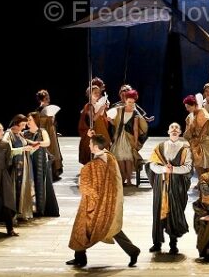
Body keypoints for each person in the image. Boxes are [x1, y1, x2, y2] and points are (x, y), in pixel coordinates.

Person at [67, 134, 141, 268]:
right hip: (109, 201)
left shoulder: (94, 165)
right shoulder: (110, 157)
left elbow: (87, 186)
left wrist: (83, 181)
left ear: (95, 147)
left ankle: (132, 251)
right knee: (109, 228)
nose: (89, 146)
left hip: (96, 202)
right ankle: (80, 256)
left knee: (86, 226)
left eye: (90, 144)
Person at [145, 122, 193, 255]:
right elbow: (152, 165)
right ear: (168, 131)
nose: (174, 129)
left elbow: (188, 167)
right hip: (161, 184)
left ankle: (173, 244)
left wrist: (174, 170)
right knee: (158, 212)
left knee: (174, 212)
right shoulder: (160, 147)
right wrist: (163, 169)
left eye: (177, 128)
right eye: (172, 127)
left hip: (177, 185)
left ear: (180, 132)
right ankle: (156, 243)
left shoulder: (185, 148)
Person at [107, 89, 147, 186]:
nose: (131, 104)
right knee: (120, 158)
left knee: (128, 159)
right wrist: (110, 121)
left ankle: (129, 180)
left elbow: (136, 129)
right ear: (125, 100)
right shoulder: (119, 109)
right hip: (119, 137)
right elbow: (115, 122)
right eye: (129, 102)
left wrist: (136, 141)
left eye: (133, 102)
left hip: (129, 138)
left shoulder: (135, 113)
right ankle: (123, 178)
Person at [25, 112, 60, 217]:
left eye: (30, 120)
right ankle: (31, 209)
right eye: (28, 120)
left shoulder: (42, 131)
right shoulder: (24, 133)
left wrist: (36, 143)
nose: (28, 122)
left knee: (42, 183)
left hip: (40, 161)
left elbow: (47, 142)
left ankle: (41, 209)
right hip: (29, 161)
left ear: (35, 120)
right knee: (30, 183)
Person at [2, 115, 35, 222]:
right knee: (14, 189)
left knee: (23, 188)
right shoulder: (8, 134)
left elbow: (24, 148)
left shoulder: (19, 134)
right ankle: (11, 215)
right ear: (16, 124)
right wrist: (23, 148)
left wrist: (32, 148)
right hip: (14, 168)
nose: (24, 127)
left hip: (23, 165)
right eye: (22, 124)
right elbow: (7, 151)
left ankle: (19, 212)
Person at [183, 94, 209, 180]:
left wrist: (200, 138)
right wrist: (191, 138)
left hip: (207, 141)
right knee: (197, 163)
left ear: (195, 105)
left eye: (188, 107)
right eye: (186, 107)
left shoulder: (202, 111)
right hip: (196, 142)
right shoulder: (190, 116)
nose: (187, 109)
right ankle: (201, 180)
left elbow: (206, 124)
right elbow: (188, 130)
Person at [78, 84, 111, 165]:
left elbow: (102, 117)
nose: (97, 94)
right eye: (95, 92)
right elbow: (93, 119)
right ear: (90, 94)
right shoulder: (89, 106)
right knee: (95, 147)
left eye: (98, 92)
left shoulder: (96, 104)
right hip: (94, 130)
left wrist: (105, 109)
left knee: (104, 146)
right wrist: (101, 109)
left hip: (101, 128)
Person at [35, 89, 64, 181]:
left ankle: (54, 172)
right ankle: (47, 172)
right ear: (41, 100)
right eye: (46, 98)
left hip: (51, 132)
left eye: (48, 98)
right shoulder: (38, 111)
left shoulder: (48, 109)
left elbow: (53, 123)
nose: (48, 100)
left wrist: (55, 129)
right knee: (48, 150)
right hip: (44, 133)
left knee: (54, 150)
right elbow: (38, 123)